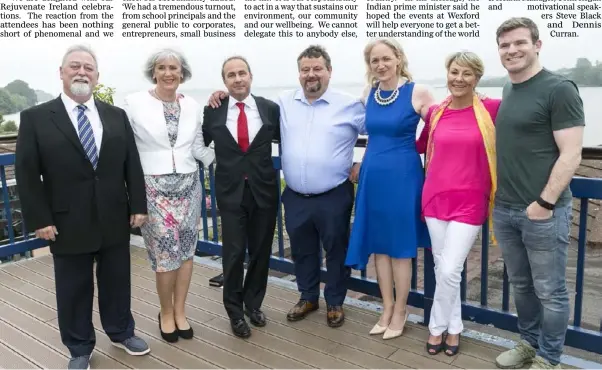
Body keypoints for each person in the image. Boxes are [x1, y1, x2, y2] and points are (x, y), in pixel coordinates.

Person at [207, 45, 365, 328]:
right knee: (303, 250)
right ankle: (307, 296)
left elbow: (379, 131)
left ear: (329, 71)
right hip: (295, 195)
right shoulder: (283, 103)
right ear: (299, 73)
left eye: (317, 68)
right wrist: (221, 95)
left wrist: (362, 161)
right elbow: (241, 113)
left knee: (336, 249)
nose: (311, 74)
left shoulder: (349, 104)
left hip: (333, 193)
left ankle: (335, 301)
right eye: (305, 69)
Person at [15, 44, 150, 369]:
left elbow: (131, 163)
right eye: (74, 66)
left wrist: (139, 204)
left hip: (114, 215)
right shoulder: (36, 118)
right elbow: (27, 172)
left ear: (97, 76)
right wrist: (40, 218)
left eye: (88, 68)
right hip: (65, 220)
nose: (81, 72)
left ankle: (120, 331)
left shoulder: (115, 116)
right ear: (62, 73)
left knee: (117, 280)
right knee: (73, 288)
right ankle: (79, 348)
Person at [492, 17, 584, 369]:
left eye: (519, 43)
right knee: (521, 285)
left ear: (537, 44)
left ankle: (549, 357)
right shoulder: (507, 88)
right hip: (506, 208)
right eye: (505, 45)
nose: (512, 50)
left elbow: (572, 153)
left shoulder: (559, 89)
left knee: (551, 291)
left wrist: (544, 203)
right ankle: (529, 344)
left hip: (544, 211)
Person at [122, 48, 215, 343]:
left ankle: (180, 311)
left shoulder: (193, 105)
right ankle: (164, 312)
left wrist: (234, 155)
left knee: (186, 251)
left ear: (182, 73)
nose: (168, 73)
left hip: (189, 186)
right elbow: (125, 151)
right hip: (153, 187)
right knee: (165, 255)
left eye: (173, 68)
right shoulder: (133, 104)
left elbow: (198, 148)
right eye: (162, 67)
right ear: (154, 72)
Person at [344, 38, 434, 340]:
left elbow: (443, 126)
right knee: (379, 247)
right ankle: (386, 307)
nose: (380, 65)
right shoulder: (368, 93)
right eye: (374, 61)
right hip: (372, 174)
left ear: (398, 59)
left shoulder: (416, 92)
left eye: (386, 58)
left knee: (400, 248)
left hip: (404, 177)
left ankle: (401, 310)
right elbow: (353, 129)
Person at [416, 51, 500, 355]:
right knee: (442, 267)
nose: (459, 79)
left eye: (466, 73)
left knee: (450, 268)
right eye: (454, 72)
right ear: (447, 75)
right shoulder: (437, 112)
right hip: (436, 198)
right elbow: (419, 144)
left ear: (477, 78)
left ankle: (437, 328)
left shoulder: (492, 109)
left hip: (471, 201)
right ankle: (453, 328)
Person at [202, 56, 280, 338]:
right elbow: (198, 143)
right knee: (233, 254)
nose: (237, 79)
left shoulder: (270, 109)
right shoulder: (213, 110)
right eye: (231, 75)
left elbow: (293, 139)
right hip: (230, 192)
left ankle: (253, 304)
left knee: (261, 252)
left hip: (264, 191)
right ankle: (234, 312)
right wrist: (217, 159)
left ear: (250, 75)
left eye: (242, 73)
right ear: (224, 81)